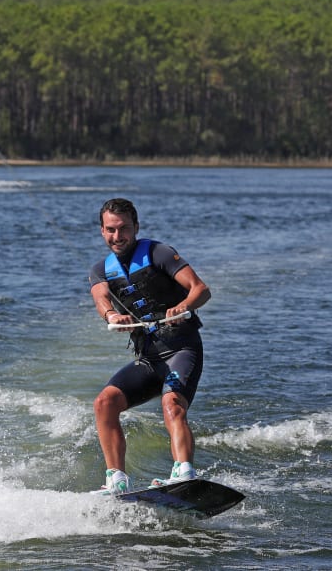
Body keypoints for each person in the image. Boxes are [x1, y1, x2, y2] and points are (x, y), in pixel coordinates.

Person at [89, 197, 211, 495]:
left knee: (172, 404)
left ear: (136, 227)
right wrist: (113, 316)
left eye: (124, 229)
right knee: (105, 403)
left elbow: (201, 290)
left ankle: (183, 472)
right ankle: (116, 480)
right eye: (111, 230)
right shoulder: (100, 270)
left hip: (182, 349)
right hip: (148, 358)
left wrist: (181, 306)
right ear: (102, 231)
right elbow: (101, 298)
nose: (118, 237)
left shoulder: (158, 253)